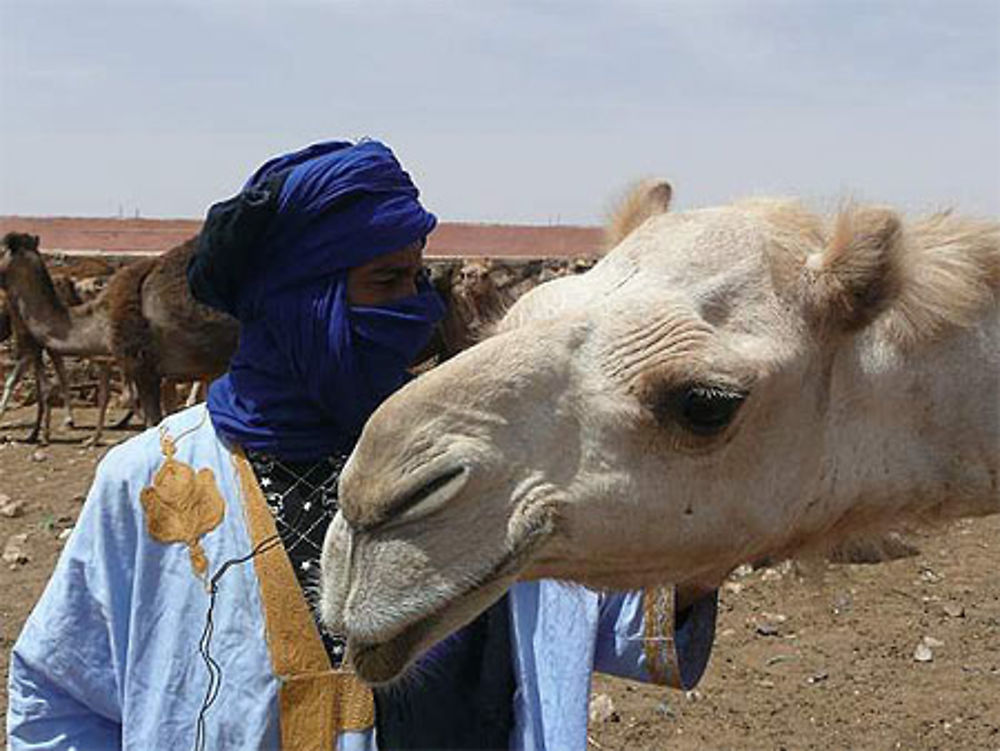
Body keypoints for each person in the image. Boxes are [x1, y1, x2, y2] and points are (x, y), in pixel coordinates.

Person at [7, 139, 712, 751]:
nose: (419, 307)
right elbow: (60, 694)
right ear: (301, 298)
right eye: (387, 282)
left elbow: (608, 608)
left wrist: (724, 516)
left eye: (416, 276)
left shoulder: (482, 455)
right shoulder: (151, 480)